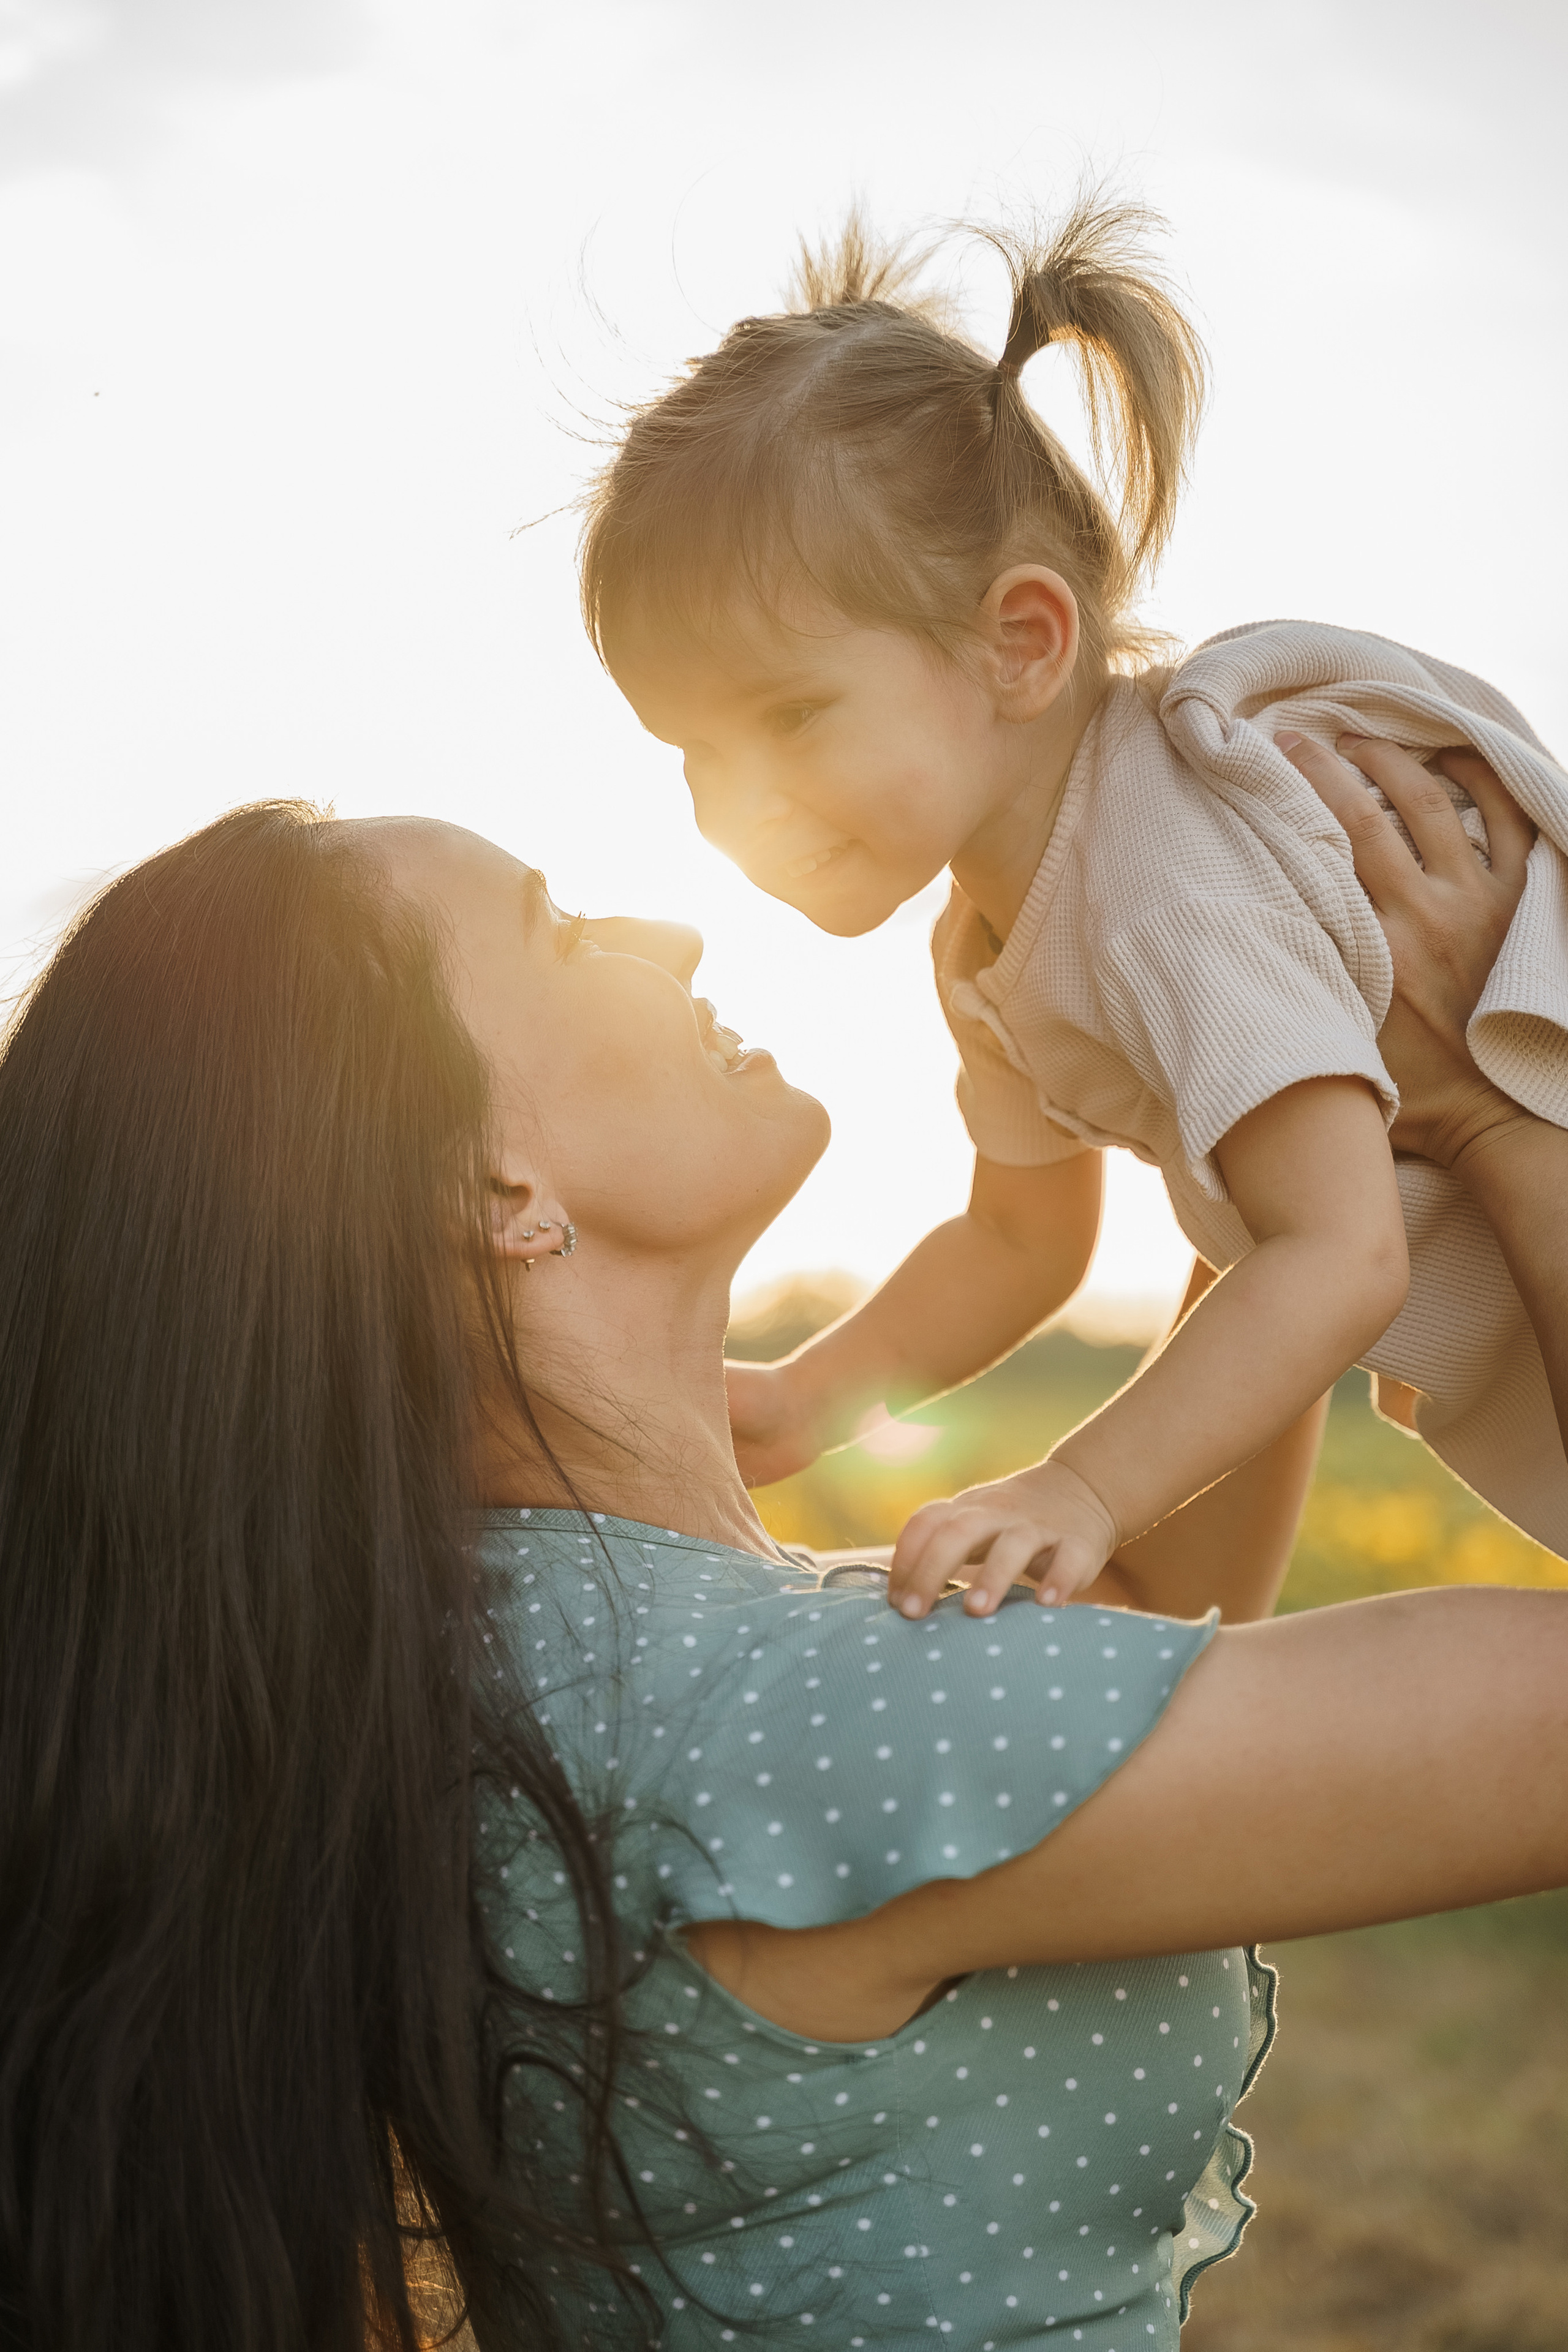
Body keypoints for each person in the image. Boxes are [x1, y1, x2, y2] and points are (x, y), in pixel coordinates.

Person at [3, 777, 1567, 2352]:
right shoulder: (771, 1724)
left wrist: (1276, 1105)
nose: (668, 928)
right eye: (562, 930)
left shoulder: (504, 1657)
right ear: (488, 1190)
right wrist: (1506, 1116)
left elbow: (1134, 1633)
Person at [579, 194, 1568, 1616]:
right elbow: (1021, 1240)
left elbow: (1339, 1252)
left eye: (789, 715)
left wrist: (1081, 1487)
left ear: (1018, 643)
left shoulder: (1157, 879)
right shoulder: (994, 936)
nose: (727, 805)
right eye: (690, 750)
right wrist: (819, 1393)